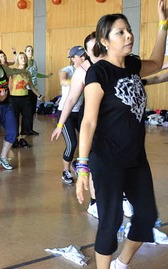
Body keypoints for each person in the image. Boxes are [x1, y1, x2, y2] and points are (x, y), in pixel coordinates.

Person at [76, 1, 166, 267]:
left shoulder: (133, 66)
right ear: (105, 40)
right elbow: (89, 122)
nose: (128, 36)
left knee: (146, 217)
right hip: (107, 160)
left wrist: (163, 24)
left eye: (128, 30)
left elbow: (158, 62)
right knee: (111, 221)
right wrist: (82, 168)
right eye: (120, 32)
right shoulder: (99, 72)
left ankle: (121, 264)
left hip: (136, 158)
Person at [50, 32, 134, 220]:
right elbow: (70, 99)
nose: (97, 51)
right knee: (96, 162)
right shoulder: (84, 71)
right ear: (88, 52)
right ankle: (95, 203)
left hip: (116, 121)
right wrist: (60, 124)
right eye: (92, 49)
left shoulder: (116, 63)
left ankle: (122, 197)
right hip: (91, 119)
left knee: (120, 160)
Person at [55, 46, 86, 184]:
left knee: (90, 139)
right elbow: (62, 80)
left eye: (84, 54)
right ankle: (66, 171)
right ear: (73, 59)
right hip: (65, 113)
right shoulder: (68, 70)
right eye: (80, 56)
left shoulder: (87, 70)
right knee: (72, 143)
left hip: (80, 112)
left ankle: (78, 164)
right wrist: (76, 83)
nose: (84, 57)